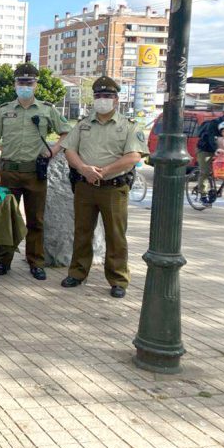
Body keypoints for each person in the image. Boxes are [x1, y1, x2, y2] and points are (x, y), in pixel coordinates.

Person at [60, 76, 148, 299]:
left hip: (113, 188)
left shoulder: (128, 126)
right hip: (85, 186)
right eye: (98, 96)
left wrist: (105, 171)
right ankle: (77, 273)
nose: (102, 100)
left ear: (116, 100)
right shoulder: (83, 124)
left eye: (107, 96)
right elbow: (69, 150)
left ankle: (118, 279)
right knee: (81, 232)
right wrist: (83, 169)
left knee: (115, 235)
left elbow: (133, 156)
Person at [0, 62, 71, 280]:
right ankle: (4, 261)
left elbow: (67, 133)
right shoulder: (4, 110)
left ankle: (36, 262)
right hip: (8, 172)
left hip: (35, 174)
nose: (25, 86)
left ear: (36, 85)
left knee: (36, 221)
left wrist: (53, 151)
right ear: (15, 84)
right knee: (6, 220)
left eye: (29, 82)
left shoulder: (47, 109)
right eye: (21, 82)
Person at [195, 113, 224, 200]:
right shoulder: (215, 123)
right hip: (206, 149)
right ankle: (203, 194)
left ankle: (214, 186)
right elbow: (211, 138)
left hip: (223, 149)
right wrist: (216, 149)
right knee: (205, 171)